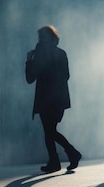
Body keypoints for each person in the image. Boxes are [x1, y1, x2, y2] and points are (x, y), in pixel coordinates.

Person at [26, 25, 81, 173]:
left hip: (48, 99)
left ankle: (67, 155)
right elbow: (66, 76)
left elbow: (30, 78)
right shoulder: (60, 53)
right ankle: (59, 158)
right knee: (50, 131)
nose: (41, 40)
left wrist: (29, 61)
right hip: (58, 98)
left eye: (43, 37)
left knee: (49, 131)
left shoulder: (41, 55)